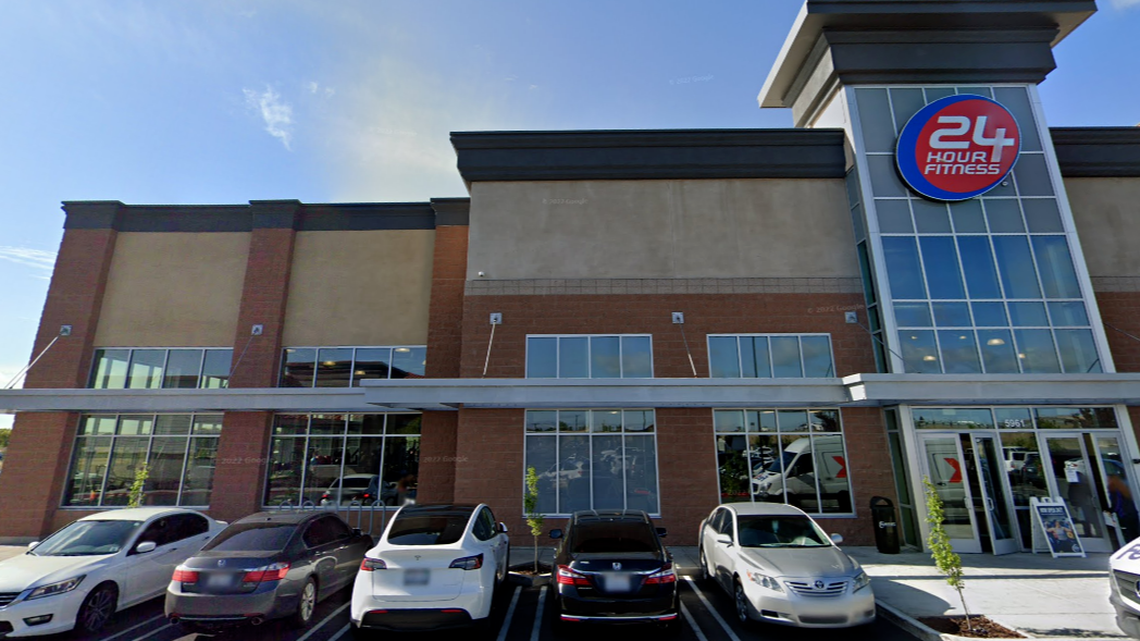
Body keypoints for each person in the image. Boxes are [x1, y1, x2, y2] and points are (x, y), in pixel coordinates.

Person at [1109, 470, 1140, 544]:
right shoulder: (1124, 488)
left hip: (1125, 514)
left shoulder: (1115, 490)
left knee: (1129, 533)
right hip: (1132, 513)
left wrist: (1111, 510)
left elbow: (1117, 503)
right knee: (1135, 532)